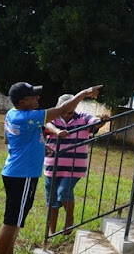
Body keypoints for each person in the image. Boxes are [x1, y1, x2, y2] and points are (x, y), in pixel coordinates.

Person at [0, 82, 102, 254]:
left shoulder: (12, 114)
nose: (38, 99)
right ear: (23, 101)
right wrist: (84, 92)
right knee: (11, 221)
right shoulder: (28, 116)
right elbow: (64, 109)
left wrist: (39, 146)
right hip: (22, 175)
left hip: (18, 172)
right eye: (33, 97)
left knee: (17, 219)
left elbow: (8, 140)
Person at [43, 94, 109, 235]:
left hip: (74, 166)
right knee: (52, 201)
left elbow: (94, 123)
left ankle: (69, 220)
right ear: (59, 107)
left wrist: (102, 122)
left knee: (64, 191)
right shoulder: (52, 117)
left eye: (71, 108)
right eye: (65, 108)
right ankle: (51, 233)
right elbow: (46, 123)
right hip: (52, 165)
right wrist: (58, 131)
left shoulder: (83, 117)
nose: (68, 112)